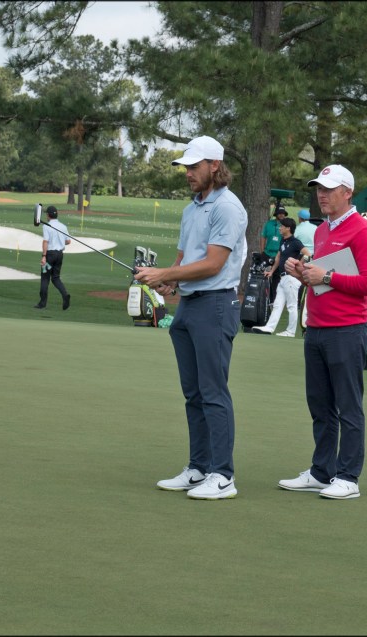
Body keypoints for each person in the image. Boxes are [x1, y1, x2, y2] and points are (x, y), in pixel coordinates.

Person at [134, 135, 247, 500]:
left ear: (215, 166)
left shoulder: (227, 207)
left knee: (213, 392)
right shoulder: (191, 209)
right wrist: (169, 282)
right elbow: (185, 259)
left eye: (194, 167)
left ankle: (223, 475)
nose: (188, 173)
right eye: (185, 167)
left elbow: (213, 264)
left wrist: (166, 274)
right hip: (189, 306)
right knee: (193, 393)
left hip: (215, 306)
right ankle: (199, 467)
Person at [278, 164, 367, 499]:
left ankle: (348, 476)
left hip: (347, 330)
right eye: (319, 189)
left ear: (347, 192)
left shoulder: (363, 230)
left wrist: (324, 276)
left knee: (348, 407)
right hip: (317, 329)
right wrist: (303, 273)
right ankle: (322, 472)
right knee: (320, 405)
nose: (322, 195)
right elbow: (324, 279)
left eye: (329, 189)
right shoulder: (323, 230)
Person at [251, 217, 310, 337]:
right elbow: (278, 257)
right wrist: (272, 271)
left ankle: (291, 331)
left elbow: (307, 254)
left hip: (291, 278)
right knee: (277, 305)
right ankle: (269, 327)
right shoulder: (283, 241)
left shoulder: (295, 242)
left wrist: (298, 265)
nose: (279, 228)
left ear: (288, 228)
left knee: (292, 305)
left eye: (282, 226)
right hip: (283, 278)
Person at [34, 206, 71, 310]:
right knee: (55, 278)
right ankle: (65, 295)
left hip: (49, 255)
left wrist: (44, 256)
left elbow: (45, 241)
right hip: (59, 255)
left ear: (48, 215)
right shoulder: (63, 226)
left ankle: (42, 303)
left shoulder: (46, 226)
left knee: (45, 278)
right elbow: (68, 241)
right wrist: (59, 242)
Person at [260, 204, 288, 302]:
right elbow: (263, 237)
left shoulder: (286, 225)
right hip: (267, 254)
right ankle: (263, 298)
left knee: (276, 278)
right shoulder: (269, 224)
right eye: (279, 213)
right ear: (276, 214)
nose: (281, 215)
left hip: (279, 255)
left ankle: (273, 300)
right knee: (264, 276)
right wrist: (262, 251)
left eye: (283, 213)